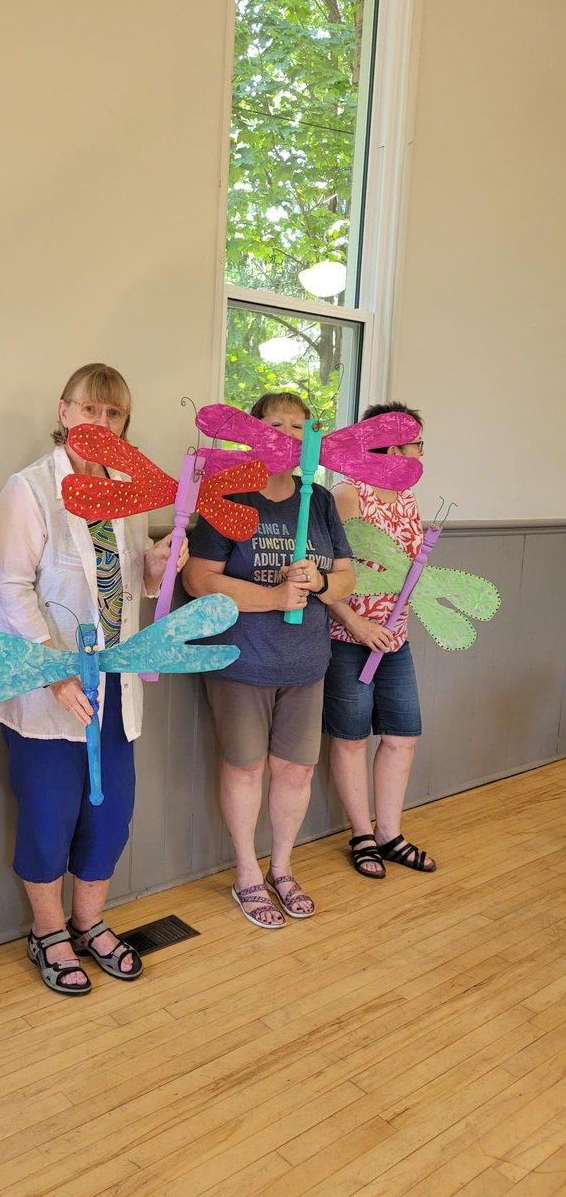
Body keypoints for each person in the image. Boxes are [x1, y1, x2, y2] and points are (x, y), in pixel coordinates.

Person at [0, 363, 183, 995]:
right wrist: (52, 673)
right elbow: (9, 587)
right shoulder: (30, 489)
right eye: (90, 410)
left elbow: (132, 586)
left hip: (116, 687)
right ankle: (48, 933)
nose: (102, 423)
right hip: (50, 691)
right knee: (49, 817)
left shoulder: (126, 491)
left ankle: (89, 921)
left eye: (115, 414)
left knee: (109, 815)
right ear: (64, 411)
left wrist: (159, 562)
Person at [183, 391, 354, 928]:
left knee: (296, 772)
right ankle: (246, 875)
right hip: (242, 660)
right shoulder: (228, 492)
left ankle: (282, 869)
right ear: (251, 430)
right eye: (275, 424)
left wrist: (319, 581)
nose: (287, 435)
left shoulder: (319, 499)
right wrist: (276, 597)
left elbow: (347, 577)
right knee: (246, 767)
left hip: (307, 663)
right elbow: (197, 580)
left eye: (298, 427)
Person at [323, 401, 436, 878]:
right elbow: (324, 577)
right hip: (349, 638)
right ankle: (361, 834)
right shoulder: (349, 494)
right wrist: (356, 624)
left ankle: (390, 833)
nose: (420, 453)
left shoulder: (406, 496)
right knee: (350, 739)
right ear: (393, 446)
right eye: (417, 444)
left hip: (395, 639)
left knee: (402, 737)